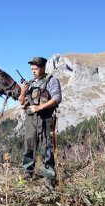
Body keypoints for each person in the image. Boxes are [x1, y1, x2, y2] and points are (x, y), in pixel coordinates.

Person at [18, 56, 62, 189]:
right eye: (31, 69)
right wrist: (23, 91)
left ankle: (49, 177)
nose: (33, 71)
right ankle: (28, 172)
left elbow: (57, 98)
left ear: (43, 67)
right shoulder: (30, 83)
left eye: (35, 69)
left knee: (46, 147)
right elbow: (22, 102)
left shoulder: (52, 80)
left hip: (45, 118)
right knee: (29, 146)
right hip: (31, 119)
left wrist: (40, 107)